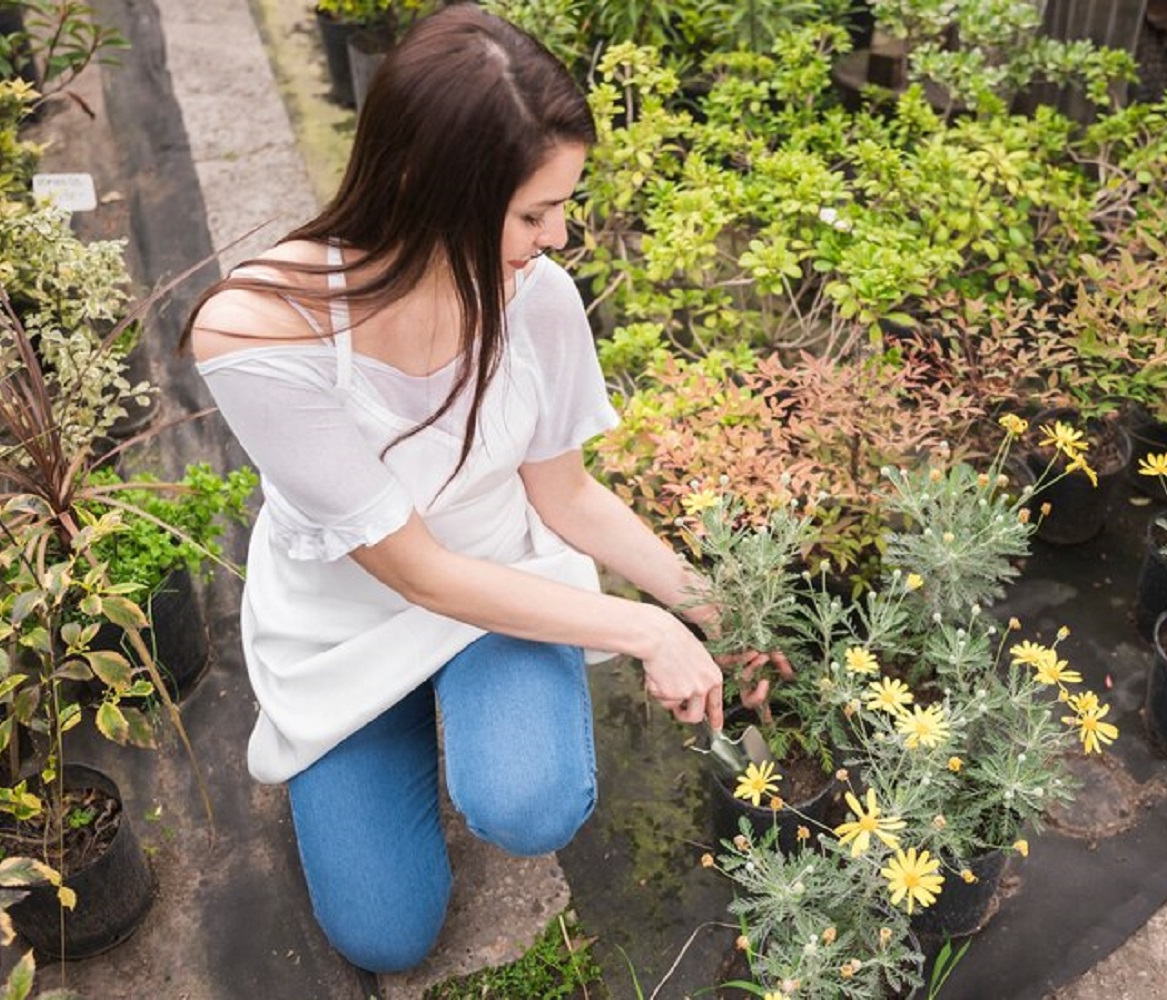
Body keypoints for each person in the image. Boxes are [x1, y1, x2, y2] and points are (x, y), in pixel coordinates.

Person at [184, 3, 779, 976]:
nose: (558, 235)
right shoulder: (262, 332)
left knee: (530, 804)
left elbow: (568, 498)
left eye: (563, 205)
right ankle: (387, 722)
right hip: (350, 618)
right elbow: (413, 571)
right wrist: (643, 630)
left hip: (502, 581)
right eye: (534, 212)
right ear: (426, 183)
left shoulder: (536, 297)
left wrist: (709, 607)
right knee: (387, 934)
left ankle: (474, 703)